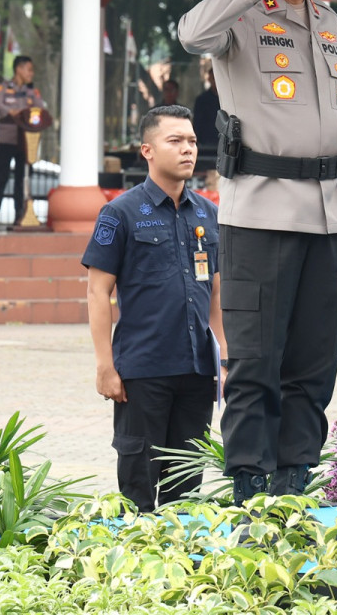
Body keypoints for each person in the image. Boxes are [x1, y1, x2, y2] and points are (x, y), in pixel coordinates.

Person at [178, 0, 337, 504]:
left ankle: (296, 477)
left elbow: (316, 113)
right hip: (262, 212)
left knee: (313, 363)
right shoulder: (240, 14)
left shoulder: (326, 20)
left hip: (327, 213)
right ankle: (249, 483)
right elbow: (191, 34)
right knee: (255, 365)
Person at [82, 105, 225, 512]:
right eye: (175, 141)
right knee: (138, 482)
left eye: (193, 142)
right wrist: (104, 366)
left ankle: (184, 565)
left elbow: (216, 291)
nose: (188, 150)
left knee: (187, 485)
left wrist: (226, 360)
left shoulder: (208, 214)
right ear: (147, 150)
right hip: (142, 370)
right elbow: (98, 292)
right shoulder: (120, 213)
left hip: (198, 370)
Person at [0, 55, 43, 231]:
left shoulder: (31, 91)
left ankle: (20, 215)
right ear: (18, 69)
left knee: (22, 179)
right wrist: (13, 112)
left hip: (24, 142)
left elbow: (39, 107)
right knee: (0, 177)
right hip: (6, 140)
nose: (31, 74)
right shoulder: (3, 87)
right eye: (29, 69)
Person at [193, 64, 220, 172]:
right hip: (206, 144)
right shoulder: (202, 99)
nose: (216, 81)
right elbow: (197, 122)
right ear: (209, 78)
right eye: (213, 78)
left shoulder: (229, 98)